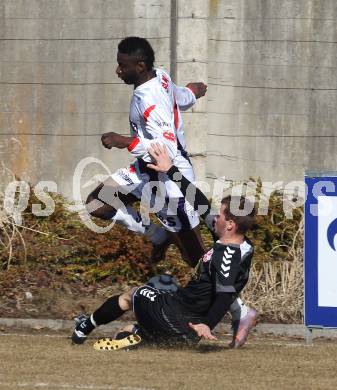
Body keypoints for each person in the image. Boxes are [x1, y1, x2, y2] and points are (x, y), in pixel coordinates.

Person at [72, 145, 257, 348]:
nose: (215, 217)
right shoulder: (240, 244)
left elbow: (225, 295)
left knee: (133, 295)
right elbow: (198, 201)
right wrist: (170, 170)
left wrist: (207, 324)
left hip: (182, 320)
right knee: (164, 282)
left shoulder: (228, 255)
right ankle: (141, 334)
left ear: (230, 224)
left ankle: (86, 326)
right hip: (187, 328)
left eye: (220, 215)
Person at [85, 36, 207, 266]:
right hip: (145, 169)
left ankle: (233, 303)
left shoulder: (149, 101)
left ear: (140, 66)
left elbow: (167, 152)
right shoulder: (159, 75)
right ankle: (158, 237)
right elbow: (176, 94)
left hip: (171, 180)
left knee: (196, 259)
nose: (117, 70)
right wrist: (192, 93)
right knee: (96, 204)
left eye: (123, 65)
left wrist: (125, 141)